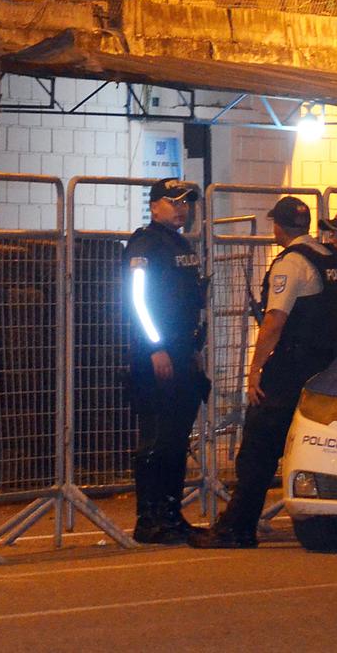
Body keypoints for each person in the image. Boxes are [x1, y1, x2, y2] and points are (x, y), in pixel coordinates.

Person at [191, 196, 337, 549]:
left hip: (290, 368)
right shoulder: (336, 259)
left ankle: (237, 528)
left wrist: (256, 369)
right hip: (326, 369)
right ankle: (334, 523)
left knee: (257, 451)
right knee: (322, 447)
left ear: (278, 226)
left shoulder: (291, 263)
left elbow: (275, 321)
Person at [122, 178, 209, 545]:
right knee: (156, 439)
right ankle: (149, 519)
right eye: (174, 202)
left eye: (186, 202)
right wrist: (154, 347)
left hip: (181, 352)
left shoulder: (179, 243)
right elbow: (137, 301)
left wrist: (193, 349)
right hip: (156, 356)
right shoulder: (146, 244)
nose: (181, 208)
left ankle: (171, 514)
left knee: (175, 439)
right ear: (154, 206)